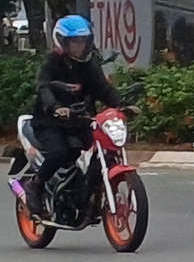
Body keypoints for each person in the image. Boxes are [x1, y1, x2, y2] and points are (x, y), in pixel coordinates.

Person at [20, 15, 122, 218]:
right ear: (62, 42)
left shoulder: (89, 66)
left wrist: (122, 105)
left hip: (81, 121)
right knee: (60, 152)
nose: (80, 45)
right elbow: (44, 88)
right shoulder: (51, 65)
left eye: (83, 41)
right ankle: (35, 184)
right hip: (50, 123)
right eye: (75, 41)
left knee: (106, 152)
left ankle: (88, 196)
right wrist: (55, 107)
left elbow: (102, 88)